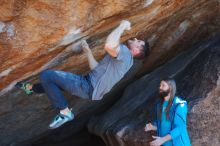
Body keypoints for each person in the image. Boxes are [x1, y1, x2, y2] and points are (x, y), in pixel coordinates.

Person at [16, 20, 150, 129]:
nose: (136, 39)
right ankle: (31, 89)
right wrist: (88, 52)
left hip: (87, 86)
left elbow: (109, 45)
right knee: (54, 82)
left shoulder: (126, 54)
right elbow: (97, 69)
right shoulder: (124, 60)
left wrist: (121, 26)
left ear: (137, 50)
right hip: (88, 85)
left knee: (47, 76)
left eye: (139, 42)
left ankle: (65, 112)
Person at [144, 78, 191, 146]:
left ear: (171, 88)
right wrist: (152, 127)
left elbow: (180, 128)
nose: (160, 87)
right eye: (160, 85)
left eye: (163, 85)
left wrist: (162, 140)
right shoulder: (159, 106)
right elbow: (163, 125)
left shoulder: (180, 105)